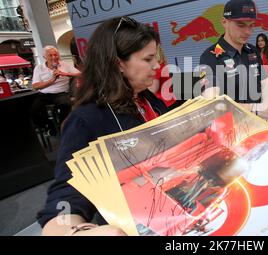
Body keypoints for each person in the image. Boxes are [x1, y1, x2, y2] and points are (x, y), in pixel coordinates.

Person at [37, 17, 168, 236]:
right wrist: (75, 232)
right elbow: (65, 197)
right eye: (148, 59)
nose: (157, 65)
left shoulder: (148, 100)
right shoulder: (87, 120)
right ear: (118, 63)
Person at [199, 0, 268, 121]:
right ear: (224, 23)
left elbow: (265, 82)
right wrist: (255, 109)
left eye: (251, 25)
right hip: (231, 128)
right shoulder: (210, 56)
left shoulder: (252, 50)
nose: (248, 32)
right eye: (241, 25)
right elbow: (212, 104)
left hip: (258, 124)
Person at [31, 46, 81, 130]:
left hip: (61, 93)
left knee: (65, 104)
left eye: (55, 55)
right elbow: (35, 86)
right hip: (45, 94)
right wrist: (52, 80)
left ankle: (64, 127)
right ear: (45, 57)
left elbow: (80, 74)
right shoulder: (39, 68)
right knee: (34, 111)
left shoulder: (64, 64)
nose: (54, 57)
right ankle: (49, 127)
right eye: (50, 55)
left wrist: (65, 74)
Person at [148, 43, 176, 108]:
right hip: (170, 100)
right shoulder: (162, 64)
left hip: (164, 103)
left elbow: (153, 90)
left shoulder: (156, 68)